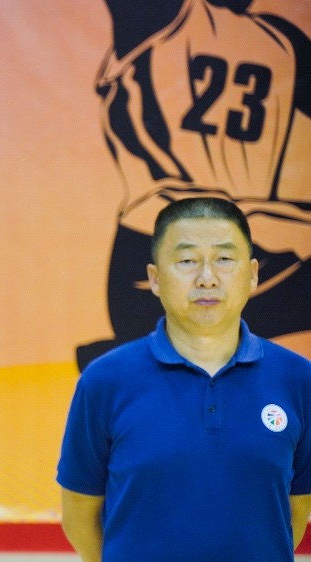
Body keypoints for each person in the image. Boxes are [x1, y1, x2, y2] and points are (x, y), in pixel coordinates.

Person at [58, 197, 311, 561]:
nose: (207, 278)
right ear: (155, 278)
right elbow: (80, 508)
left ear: (253, 274)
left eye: (224, 259)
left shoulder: (298, 379)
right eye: (187, 261)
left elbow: (296, 508)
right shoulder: (104, 380)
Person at [75, 0, 311, 371]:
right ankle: (128, 358)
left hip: (231, 240)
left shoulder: (277, 38)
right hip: (164, 244)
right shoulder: (172, 16)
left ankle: (125, 356)